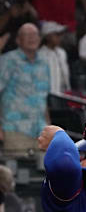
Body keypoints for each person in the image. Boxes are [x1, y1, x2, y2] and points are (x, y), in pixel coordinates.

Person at [0, 22, 50, 156]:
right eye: (27, 35)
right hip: (15, 129)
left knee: (45, 175)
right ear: (18, 40)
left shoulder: (44, 64)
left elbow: (44, 100)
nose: (32, 38)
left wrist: (49, 129)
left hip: (40, 132)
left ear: (40, 39)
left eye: (35, 34)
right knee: (18, 175)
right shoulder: (7, 60)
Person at [39, 20, 71, 94]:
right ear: (48, 36)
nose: (60, 37)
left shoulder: (62, 52)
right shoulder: (41, 55)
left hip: (65, 93)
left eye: (60, 34)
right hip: (49, 94)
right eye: (57, 34)